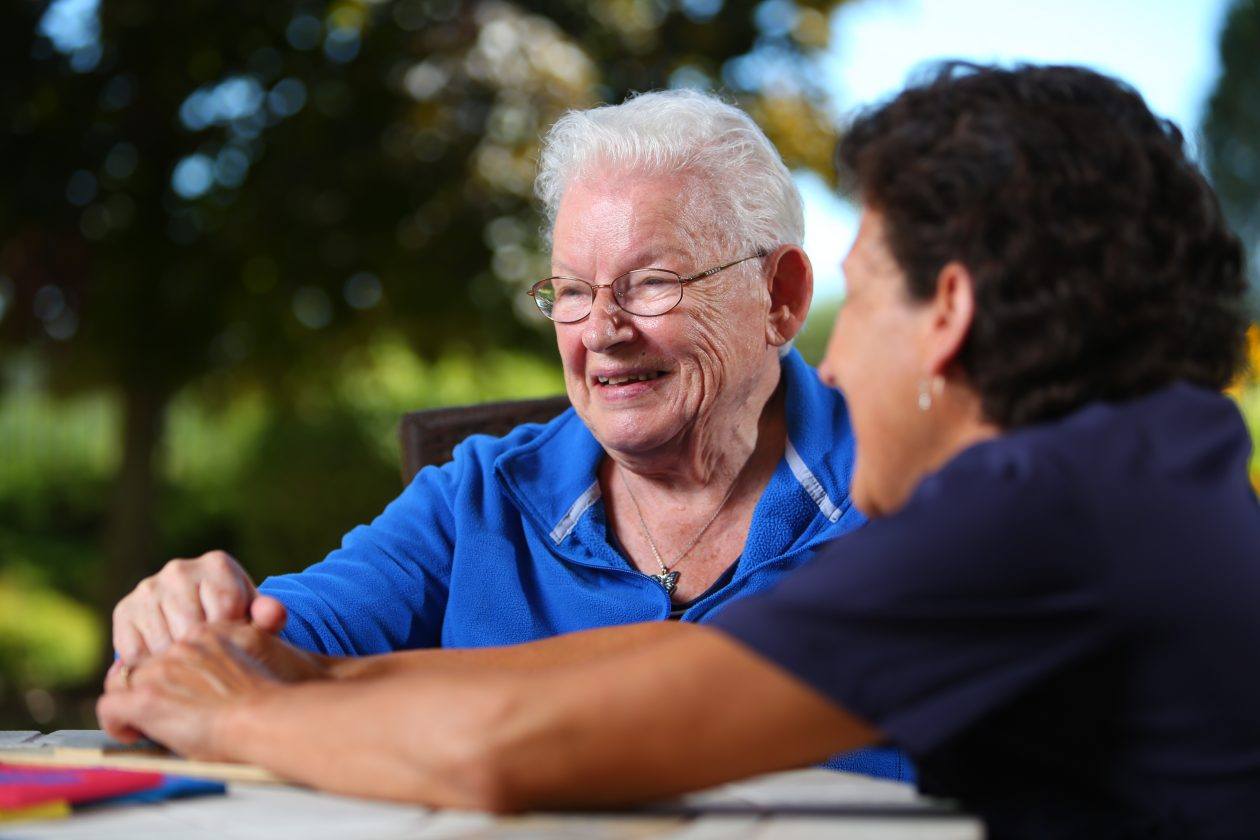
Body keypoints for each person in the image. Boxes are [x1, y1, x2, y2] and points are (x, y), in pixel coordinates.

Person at [100, 62, 1260, 837]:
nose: (838, 361)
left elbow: (523, 747)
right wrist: (307, 671)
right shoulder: (1152, 461)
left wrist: (241, 718)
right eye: (570, 290)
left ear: (946, 312)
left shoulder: (1037, 513)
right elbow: (668, 664)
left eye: (861, 298)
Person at [107, 89, 909, 780]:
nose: (601, 330)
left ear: (782, 295)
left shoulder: (909, 488)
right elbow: (271, 648)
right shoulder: (482, 494)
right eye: (569, 291)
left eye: (652, 283)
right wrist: (191, 626)